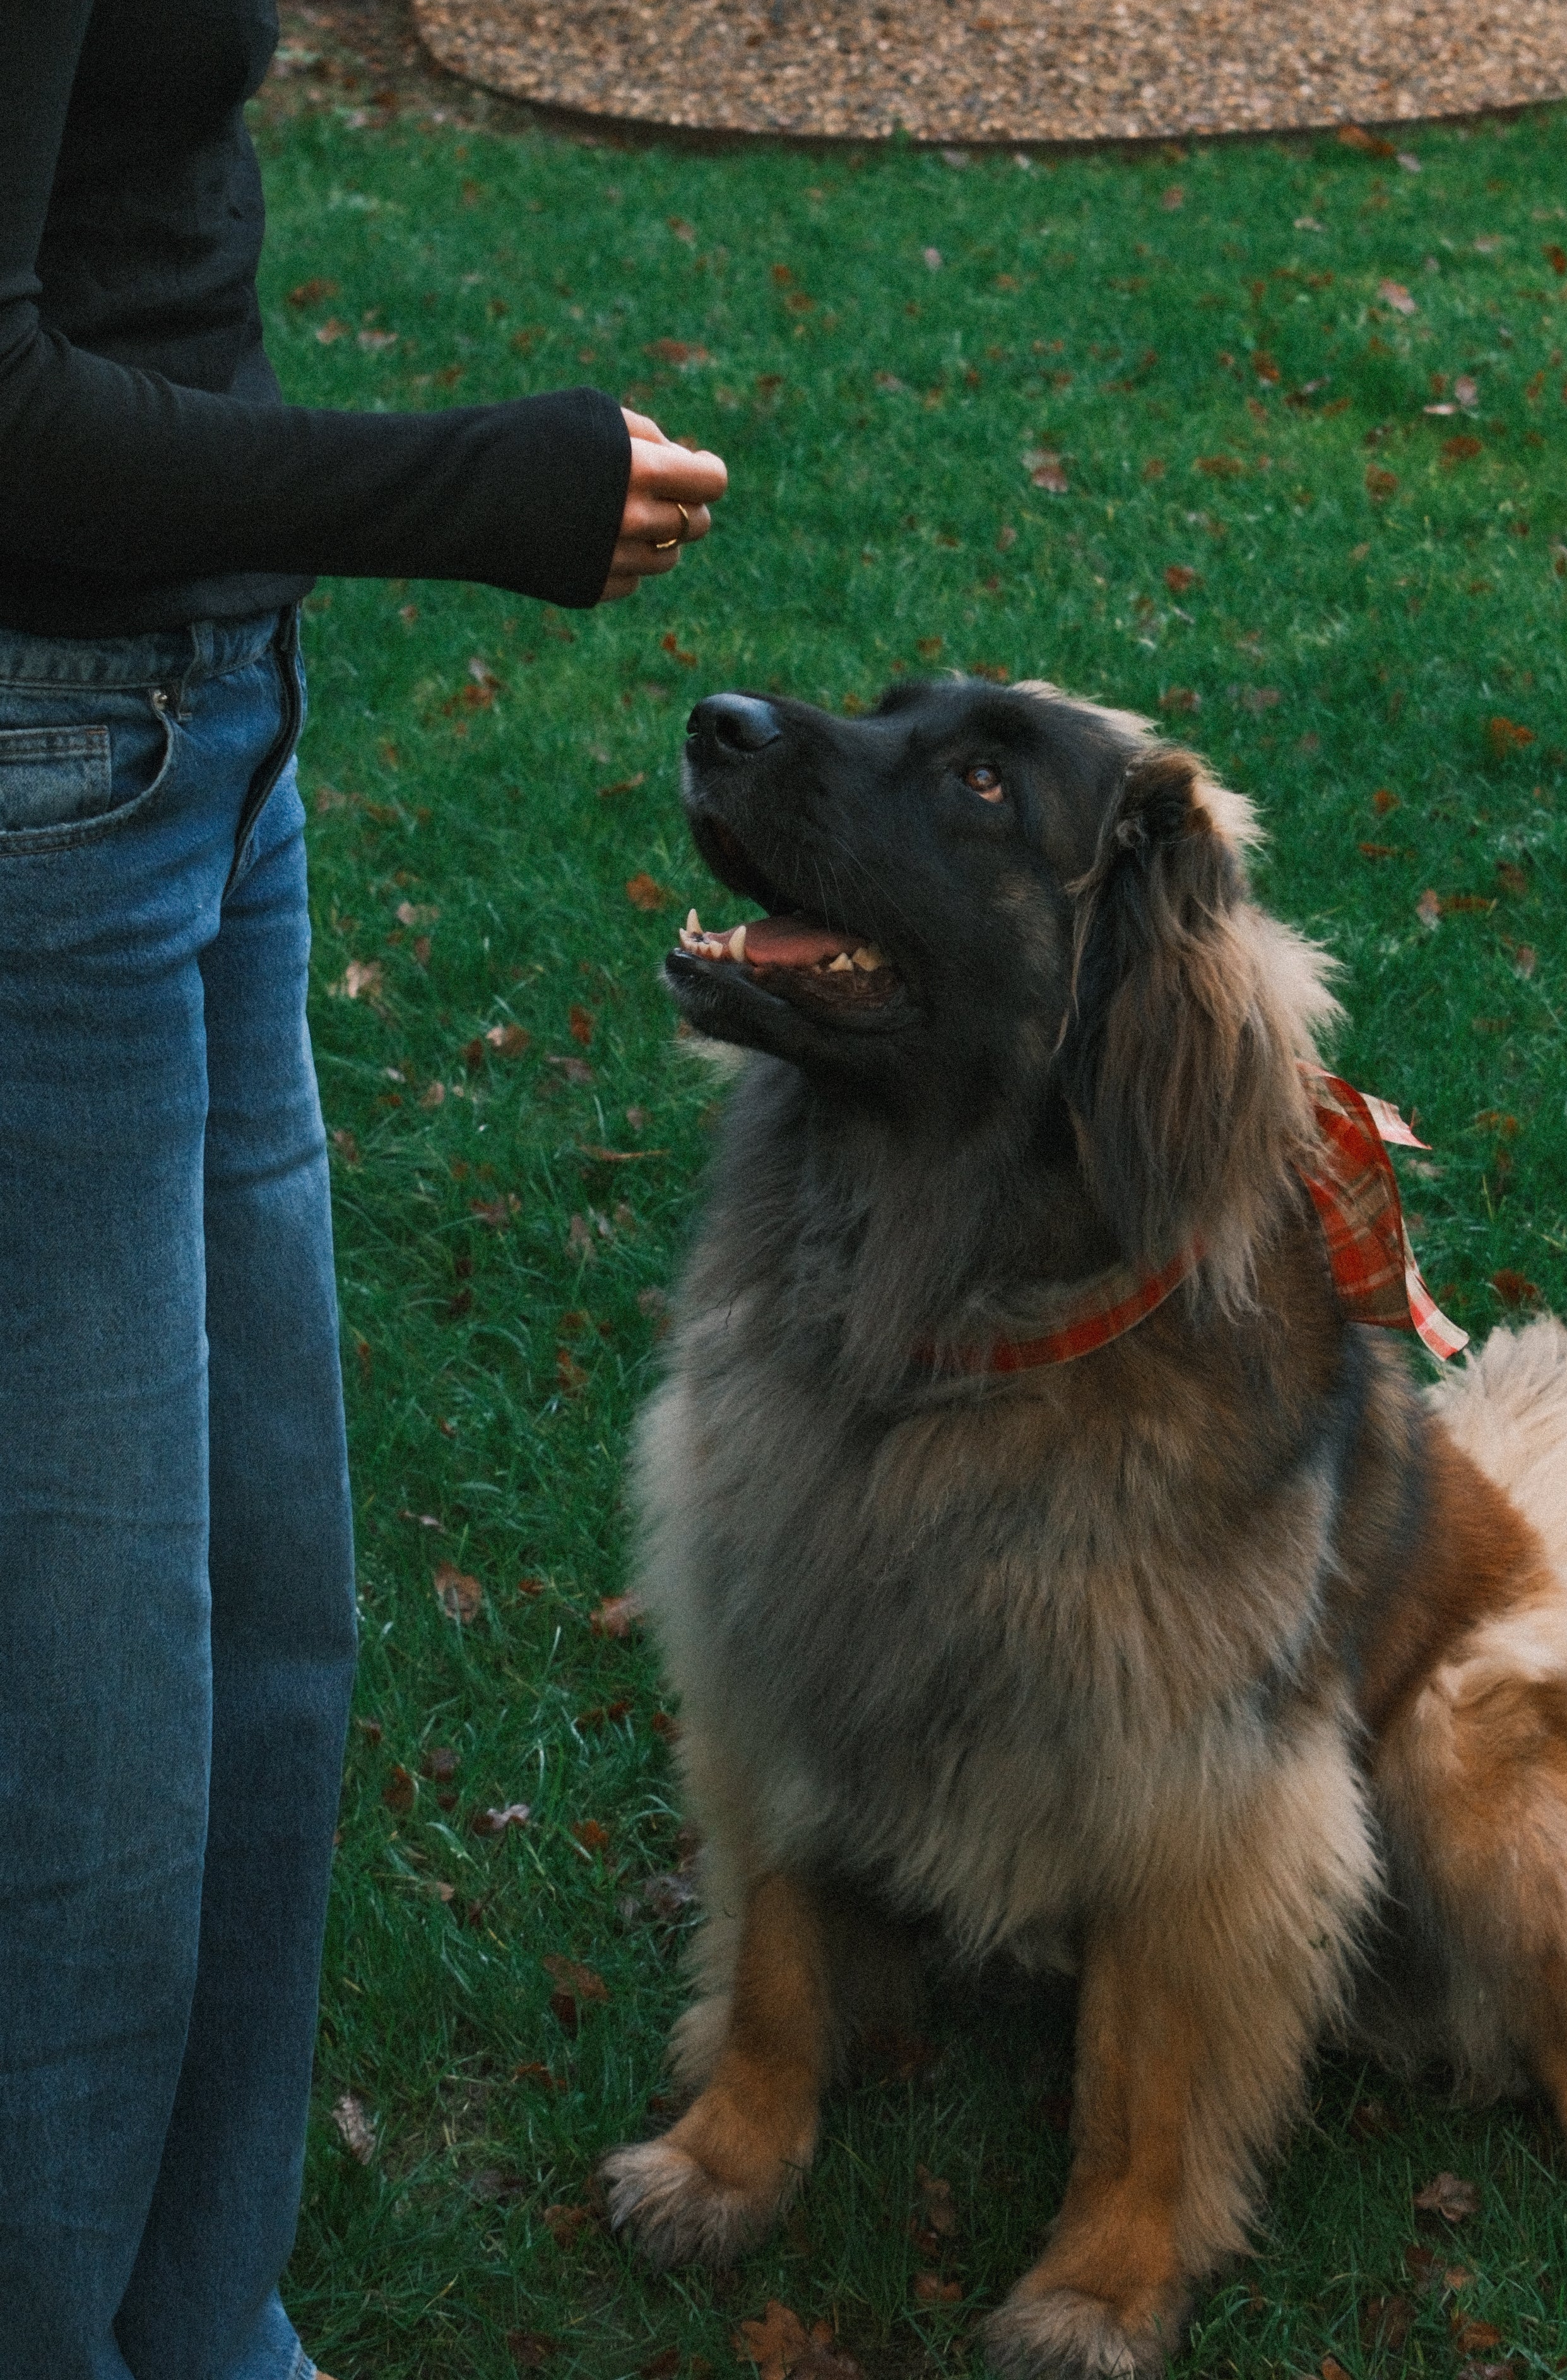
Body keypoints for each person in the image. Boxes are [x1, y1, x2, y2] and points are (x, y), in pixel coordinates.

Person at [0, 7, 728, 2376]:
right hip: (46, 782)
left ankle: (198, 2315)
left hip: (209, 736)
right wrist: (474, 490)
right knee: (83, 1728)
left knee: (263, 1642)